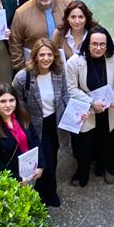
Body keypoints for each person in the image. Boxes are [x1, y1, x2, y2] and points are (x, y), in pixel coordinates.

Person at [65, 26, 114, 187]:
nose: (98, 48)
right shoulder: (74, 62)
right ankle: (83, 170)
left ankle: (107, 167)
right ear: (87, 44)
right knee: (84, 142)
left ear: (108, 45)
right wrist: (91, 102)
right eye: (94, 44)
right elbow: (71, 89)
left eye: (102, 44)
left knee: (107, 138)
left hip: (108, 108)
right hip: (86, 108)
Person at [13, 38, 69, 207]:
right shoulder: (23, 77)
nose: (46, 58)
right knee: (46, 163)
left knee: (54, 155)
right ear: (35, 56)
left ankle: (43, 190)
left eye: (49, 55)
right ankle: (48, 194)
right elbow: (17, 103)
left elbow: (65, 94)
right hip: (36, 124)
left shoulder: (59, 72)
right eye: (42, 55)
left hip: (55, 122)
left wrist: (73, 113)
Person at [0, 81, 46, 186]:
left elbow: (34, 138)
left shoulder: (22, 111)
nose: (8, 105)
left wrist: (40, 165)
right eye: (3, 101)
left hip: (31, 169)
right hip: (11, 177)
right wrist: (17, 179)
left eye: (11, 100)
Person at [9, 0, 72, 70]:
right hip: (36, 66)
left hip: (67, 62)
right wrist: (22, 70)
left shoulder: (69, 5)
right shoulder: (21, 13)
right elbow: (15, 44)